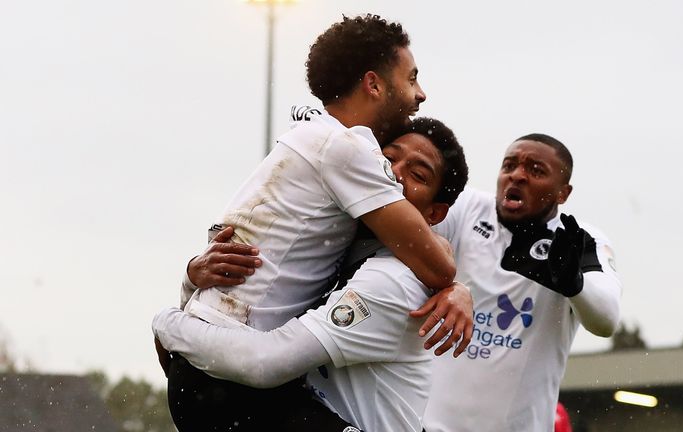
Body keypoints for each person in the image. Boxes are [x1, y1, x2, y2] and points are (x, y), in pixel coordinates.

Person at [159, 14, 473, 431]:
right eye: (411, 77)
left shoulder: (319, 140)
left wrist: (460, 289)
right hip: (230, 379)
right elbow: (437, 266)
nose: (420, 94)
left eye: (416, 174)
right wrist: (167, 323)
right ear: (374, 84)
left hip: (220, 375)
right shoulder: (346, 150)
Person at [421, 133, 622, 431]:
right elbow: (407, 233)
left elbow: (606, 321)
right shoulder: (466, 210)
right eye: (509, 165)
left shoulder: (579, 240)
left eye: (536, 170)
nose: (517, 175)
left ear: (562, 193)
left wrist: (573, 284)